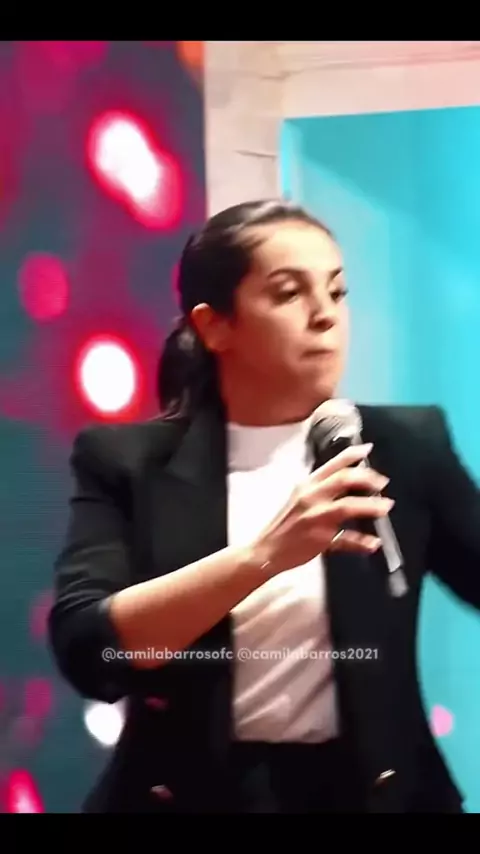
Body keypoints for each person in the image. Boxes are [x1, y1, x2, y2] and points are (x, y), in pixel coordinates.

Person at [48, 199, 480, 813]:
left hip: (373, 792)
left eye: (337, 292)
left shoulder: (408, 447)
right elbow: (92, 651)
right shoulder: (127, 462)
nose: (325, 316)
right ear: (214, 326)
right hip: (193, 795)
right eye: (288, 293)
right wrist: (263, 556)